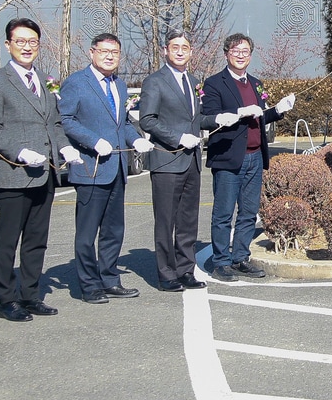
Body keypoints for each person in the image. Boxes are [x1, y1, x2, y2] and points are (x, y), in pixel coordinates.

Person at [0, 18, 78, 322]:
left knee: (37, 238)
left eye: (32, 41)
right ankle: (7, 298)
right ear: (8, 45)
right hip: (14, 173)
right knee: (9, 239)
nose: (27, 47)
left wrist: (65, 147)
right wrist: (20, 152)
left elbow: (54, 123)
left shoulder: (46, 81)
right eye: (20, 41)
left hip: (45, 172)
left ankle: (30, 294)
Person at [58, 33, 154, 304]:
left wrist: (136, 139)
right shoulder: (76, 83)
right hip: (91, 168)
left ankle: (110, 279)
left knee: (113, 231)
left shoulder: (119, 85)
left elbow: (121, 123)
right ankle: (89, 286)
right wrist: (92, 140)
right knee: (87, 234)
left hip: (117, 168)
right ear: (92, 52)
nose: (110, 56)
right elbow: (64, 120)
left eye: (115, 52)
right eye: (104, 51)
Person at [199, 33, 295, 282]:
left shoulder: (256, 83)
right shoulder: (214, 83)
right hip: (229, 157)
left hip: (254, 156)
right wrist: (239, 113)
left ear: (250, 56)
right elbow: (209, 117)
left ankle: (240, 257)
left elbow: (260, 116)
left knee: (249, 212)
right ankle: (221, 262)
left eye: (245, 51)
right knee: (223, 213)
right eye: (235, 51)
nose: (240, 55)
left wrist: (277, 110)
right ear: (226, 54)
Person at [137, 29, 207, 291]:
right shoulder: (155, 81)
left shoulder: (194, 81)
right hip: (167, 160)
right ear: (165, 50)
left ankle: (185, 269)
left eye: (185, 47)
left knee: (188, 220)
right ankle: (166, 274)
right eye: (175, 46)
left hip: (192, 161)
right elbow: (148, 119)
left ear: (191, 52)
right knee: (166, 221)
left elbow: (196, 119)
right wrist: (178, 137)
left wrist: (226, 117)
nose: (180, 51)